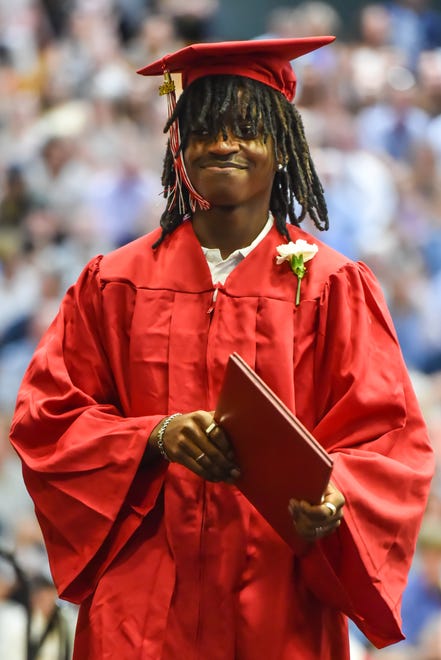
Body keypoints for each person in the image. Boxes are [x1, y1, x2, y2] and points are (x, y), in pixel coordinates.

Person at [9, 36, 434, 660]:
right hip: (143, 611)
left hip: (276, 606)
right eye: (204, 129)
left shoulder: (331, 287)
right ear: (179, 145)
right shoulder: (115, 283)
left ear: (283, 147)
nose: (223, 143)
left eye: (246, 128)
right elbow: (47, 419)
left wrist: (336, 495)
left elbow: (389, 439)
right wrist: (153, 437)